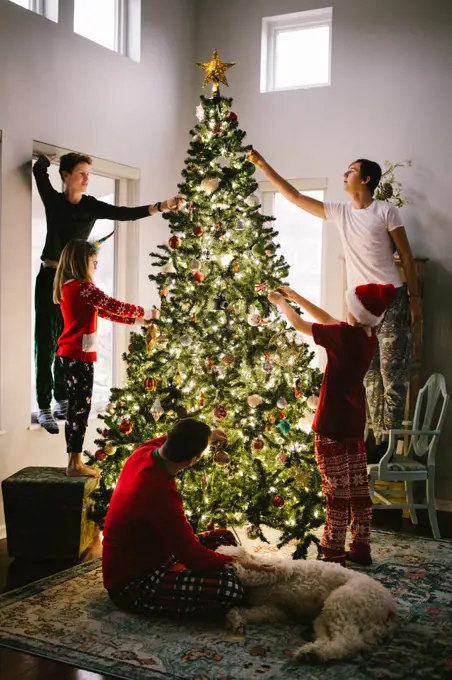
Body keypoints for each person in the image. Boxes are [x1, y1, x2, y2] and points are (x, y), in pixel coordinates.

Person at [248, 150, 421, 459]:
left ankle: (391, 446)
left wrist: (414, 300)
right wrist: (263, 165)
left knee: (392, 375)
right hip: (360, 306)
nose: (345, 173)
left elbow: (406, 256)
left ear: (366, 179)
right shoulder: (341, 212)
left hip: (391, 299)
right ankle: (375, 443)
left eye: (351, 170)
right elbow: (296, 197)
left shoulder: (385, 211)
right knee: (367, 376)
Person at [33, 152, 183, 434]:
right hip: (50, 278)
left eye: (89, 173)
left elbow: (125, 214)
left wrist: (162, 206)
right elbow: (39, 173)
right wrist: (44, 160)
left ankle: (61, 399)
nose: (87, 178)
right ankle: (43, 406)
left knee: (69, 339)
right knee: (46, 338)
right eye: (81, 173)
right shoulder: (54, 201)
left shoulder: (91, 207)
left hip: (74, 280)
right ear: (66, 176)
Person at [268, 282, 397, 566]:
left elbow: (301, 324)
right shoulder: (368, 335)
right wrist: (295, 294)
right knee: (358, 490)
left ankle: (334, 550)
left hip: (331, 425)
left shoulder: (343, 336)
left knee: (336, 492)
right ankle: (361, 547)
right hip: (353, 425)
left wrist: (279, 302)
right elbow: (327, 319)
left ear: (355, 312)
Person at [102, 418, 270, 617]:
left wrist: (209, 436)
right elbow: (192, 555)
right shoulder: (159, 492)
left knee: (223, 536)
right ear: (193, 460)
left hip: (156, 550)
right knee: (230, 589)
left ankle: (207, 577)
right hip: (134, 581)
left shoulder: (145, 452)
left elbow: (172, 436)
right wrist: (238, 562)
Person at [54, 239, 153, 478]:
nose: (96, 267)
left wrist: (140, 322)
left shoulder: (70, 287)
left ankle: (73, 461)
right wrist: (147, 312)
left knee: (77, 409)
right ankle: (74, 463)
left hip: (73, 354)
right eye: (93, 263)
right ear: (81, 263)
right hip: (78, 355)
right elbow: (113, 305)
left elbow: (106, 312)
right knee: (80, 410)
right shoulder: (82, 288)